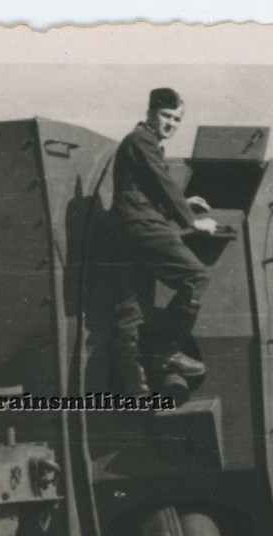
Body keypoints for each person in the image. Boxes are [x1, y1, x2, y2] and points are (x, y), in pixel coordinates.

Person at [108, 87, 217, 396]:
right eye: (166, 116)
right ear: (150, 114)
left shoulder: (142, 143)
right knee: (196, 277)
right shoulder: (141, 140)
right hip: (141, 226)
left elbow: (149, 185)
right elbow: (159, 180)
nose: (171, 123)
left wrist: (184, 200)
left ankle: (136, 390)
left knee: (131, 312)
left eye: (177, 119)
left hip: (128, 231)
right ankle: (166, 351)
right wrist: (192, 220)